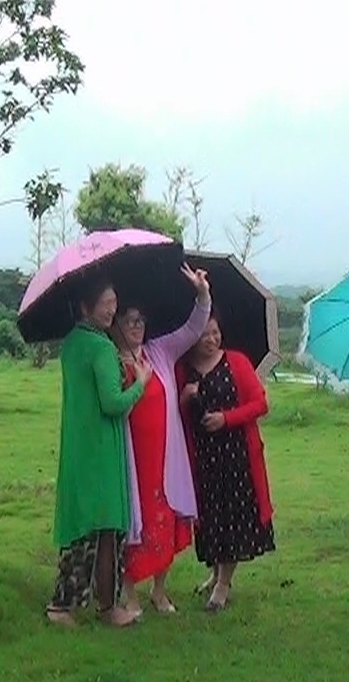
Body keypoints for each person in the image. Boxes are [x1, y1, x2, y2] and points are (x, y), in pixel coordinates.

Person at [111, 266, 212, 615]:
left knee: (165, 518)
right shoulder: (110, 361)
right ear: (115, 324)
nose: (136, 326)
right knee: (133, 522)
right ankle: (129, 592)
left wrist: (201, 294)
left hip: (165, 456)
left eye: (140, 320)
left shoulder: (160, 352)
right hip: (131, 457)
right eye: (129, 320)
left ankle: (159, 589)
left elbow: (194, 328)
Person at [48, 275, 146, 627]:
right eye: (106, 304)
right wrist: (141, 383)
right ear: (86, 306)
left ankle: (74, 604)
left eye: (114, 303)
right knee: (107, 530)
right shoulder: (101, 347)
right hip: (102, 449)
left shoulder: (72, 343)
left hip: (78, 444)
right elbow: (113, 403)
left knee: (83, 526)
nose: (112, 310)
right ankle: (96, 607)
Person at [178, 310, 277, 612]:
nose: (211, 339)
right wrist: (185, 398)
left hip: (236, 455)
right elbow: (178, 414)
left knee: (232, 517)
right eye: (204, 334)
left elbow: (260, 404)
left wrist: (227, 418)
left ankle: (224, 584)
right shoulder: (183, 368)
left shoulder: (236, 361)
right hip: (203, 456)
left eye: (215, 332)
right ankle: (215, 573)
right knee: (210, 517)